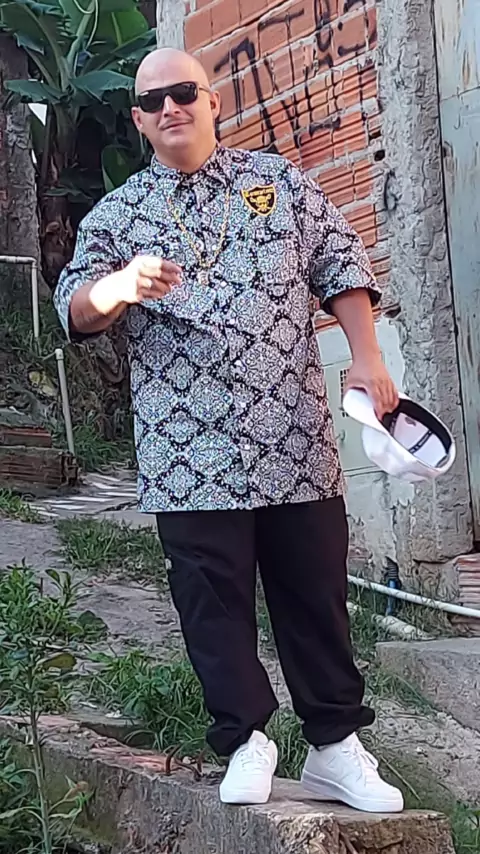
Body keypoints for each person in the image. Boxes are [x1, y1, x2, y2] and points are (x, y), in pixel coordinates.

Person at [54, 47, 403, 812]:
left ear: (212, 101)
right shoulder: (118, 216)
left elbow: (342, 263)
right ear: (140, 120)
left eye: (185, 92)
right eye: (154, 102)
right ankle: (246, 741)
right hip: (188, 454)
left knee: (314, 596)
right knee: (211, 605)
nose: (171, 108)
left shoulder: (280, 184)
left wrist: (369, 359)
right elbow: (74, 308)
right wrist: (120, 285)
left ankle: (336, 749)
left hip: (294, 442)